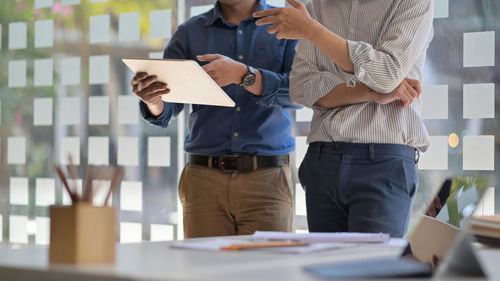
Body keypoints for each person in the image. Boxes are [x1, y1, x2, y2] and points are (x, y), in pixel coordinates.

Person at [253, 0, 433, 237]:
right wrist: (369, 92)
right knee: (326, 270)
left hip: (383, 161)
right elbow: (300, 87)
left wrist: (314, 31)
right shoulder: (316, 7)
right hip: (322, 158)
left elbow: (386, 74)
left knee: (371, 272)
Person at [130, 0, 299, 238]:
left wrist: (245, 76)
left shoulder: (286, 26)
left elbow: (299, 93)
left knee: (266, 269)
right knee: (204, 270)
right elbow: (168, 106)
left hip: (266, 180)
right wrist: (153, 100)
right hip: (203, 181)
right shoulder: (189, 32)